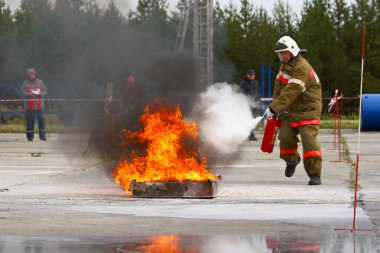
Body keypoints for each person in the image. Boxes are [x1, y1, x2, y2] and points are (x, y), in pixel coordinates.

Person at [263, 36, 322, 185]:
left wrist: (274, 108)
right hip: (291, 110)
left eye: (284, 52)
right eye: (280, 53)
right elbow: (279, 88)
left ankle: (315, 175)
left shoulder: (302, 67)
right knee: (285, 137)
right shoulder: (284, 65)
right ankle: (292, 161)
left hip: (309, 109)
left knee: (309, 141)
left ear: (293, 50)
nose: (282, 56)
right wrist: (274, 110)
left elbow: (292, 90)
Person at [20, 68, 47, 141]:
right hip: (29, 107)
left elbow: (45, 91)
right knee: (30, 122)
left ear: (35, 74)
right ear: (28, 75)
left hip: (39, 106)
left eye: (33, 74)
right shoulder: (25, 83)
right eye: (30, 74)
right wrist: (29, 94)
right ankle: (30, 137)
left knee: (41, 121)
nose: (32, 76)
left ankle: (42, 136)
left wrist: (41, 94)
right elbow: (22, 93)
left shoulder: (40, 82)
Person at [240, 69, 261, 141]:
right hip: (248, 105)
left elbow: (257, 92)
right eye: (250, 75)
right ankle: (251, 135)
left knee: (252, 119)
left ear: (254, 75)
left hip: (255, 104)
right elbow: (242, 94)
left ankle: (248, 134)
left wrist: (258, 100)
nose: (251, 76)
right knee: (249, 119)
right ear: (247, 75)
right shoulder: (243, 82)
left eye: (252, 75)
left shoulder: (255, 82)